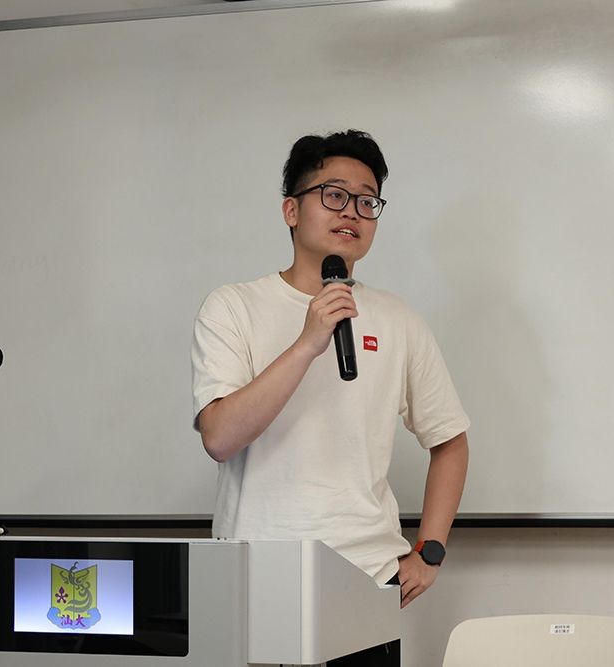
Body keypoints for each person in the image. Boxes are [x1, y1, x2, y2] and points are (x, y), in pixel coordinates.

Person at [191, 130, 470, 666]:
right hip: (256, 575)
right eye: (334, 194)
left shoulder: (398, 319)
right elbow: (220, 437)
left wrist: (429, 551)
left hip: (365, 579)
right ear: (291, 210)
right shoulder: (232, 307)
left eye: (368, 201)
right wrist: (307, 343)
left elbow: (450, 441)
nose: (352, 212)